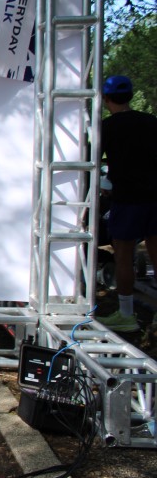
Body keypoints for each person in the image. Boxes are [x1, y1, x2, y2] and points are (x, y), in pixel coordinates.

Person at [96, 75, 157, 333]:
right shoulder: (151, 121)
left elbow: (92, 161)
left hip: (127, 198)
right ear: (130, 96)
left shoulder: (106, 127)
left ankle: (126, 315)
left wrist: (106, 184)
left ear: (105, 99)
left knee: (123, 255)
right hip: (154, 196)